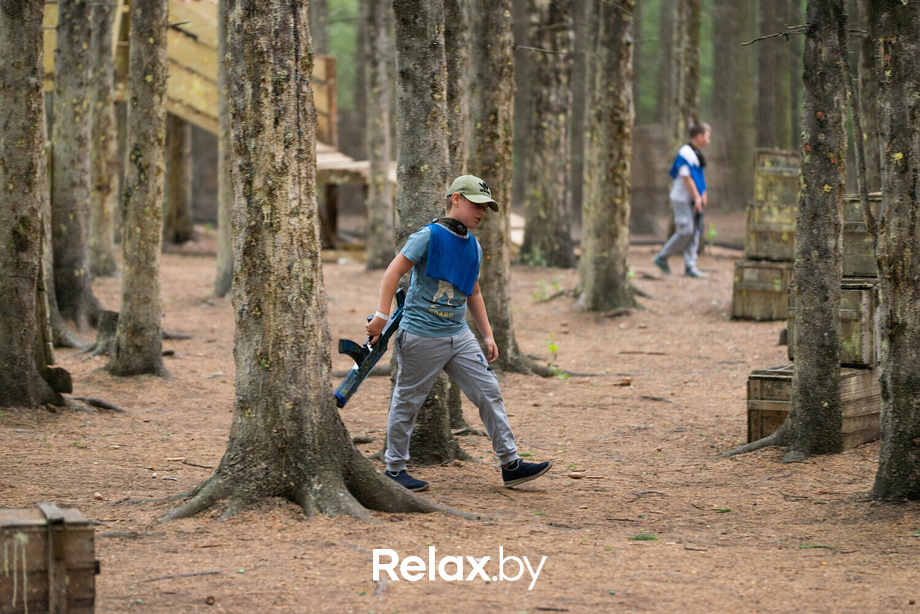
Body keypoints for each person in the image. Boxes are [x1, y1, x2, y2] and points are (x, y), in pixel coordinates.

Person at [365, 175, 553, 492]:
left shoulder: (473, 246)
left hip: (460, 335)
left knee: (488, 391)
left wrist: (488, 336)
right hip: (422, 335)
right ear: (456, 199)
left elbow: (474, 293)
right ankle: (395, 469)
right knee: (407, 402)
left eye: (485, 207)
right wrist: (381, 318)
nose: (481, 212)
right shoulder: (429, 236)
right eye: (476, 204)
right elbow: (394, 271)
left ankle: (511, 464)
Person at [653, 123, 711, 278]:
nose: (708, 140)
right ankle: (662, 257)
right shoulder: (685, 153)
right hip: (682, 199)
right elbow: (687, 179)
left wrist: (702, 194)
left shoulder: (697, 153)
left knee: (694, 233)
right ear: (699, 136)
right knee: (685, 230)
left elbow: (699, 177)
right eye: (707, 136)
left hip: (693, 199)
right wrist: (697, 198)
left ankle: (690, 267)